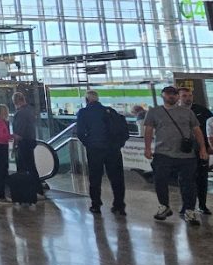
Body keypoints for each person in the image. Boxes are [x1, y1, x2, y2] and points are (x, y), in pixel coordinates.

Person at [144, 86, 209, 226]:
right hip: (163, 153)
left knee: (189, 184)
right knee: (160, 180)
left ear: (177, 97)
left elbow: (197, 131)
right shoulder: (154, 112)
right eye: (168, 94)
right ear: (163, 96)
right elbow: (148, 130)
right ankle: (164, 206)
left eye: (174, 94)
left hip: (186, 155)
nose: (171, 96)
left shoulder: (187, 112)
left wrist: (203, 148)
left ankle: (189, 211)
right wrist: (147, 148)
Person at [76, 90, 128, 215]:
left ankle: (96, 205)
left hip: (95, 149)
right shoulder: (109, 111)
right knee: (117, 178)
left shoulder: (83, 113)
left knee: (95, 178)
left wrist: (89, 143)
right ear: (98, 99)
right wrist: (118, 144)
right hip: (112, 149)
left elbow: (80, 132)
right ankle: (119, 205)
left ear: (86, 100)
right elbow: (122, 129)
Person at [178, 87, 213, 215]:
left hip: (201, 150)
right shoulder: (173, 112)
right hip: (182, 152)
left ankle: (202, 205)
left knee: (202, 178)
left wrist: (210, 146)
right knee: (185, 179)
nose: (188, 98)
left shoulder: (202, 111)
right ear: (178, 97)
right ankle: (186, 206)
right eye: (184, 96)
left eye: (190, 95)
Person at [11, 92, 44, 200]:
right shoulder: (30, 110)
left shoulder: (20, 113)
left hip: (23, 143)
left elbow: (19, 132)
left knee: (25, 167)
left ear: (16, 101)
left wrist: (13, 139)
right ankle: (35, 190)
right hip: (30, 141)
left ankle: (31, 191)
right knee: (30, 166)